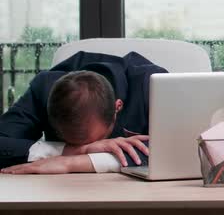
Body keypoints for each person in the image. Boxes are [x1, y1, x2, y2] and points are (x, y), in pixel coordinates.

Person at [0, 51, 167, 174]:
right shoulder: (44, 89)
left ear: (118, 107)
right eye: (72, 143)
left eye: (95, 141)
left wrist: (71, 163)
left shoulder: (153, 85)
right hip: (59, 192)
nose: (94, 147)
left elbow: (180, 147)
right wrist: (70, 150)